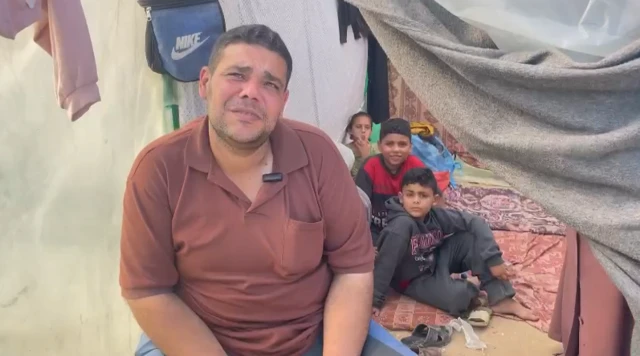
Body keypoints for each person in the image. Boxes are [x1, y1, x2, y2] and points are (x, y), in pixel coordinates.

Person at [119, 24, 415, 356]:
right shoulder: (159, 168)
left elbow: (353, 271)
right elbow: (148, 291)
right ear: (205, 83)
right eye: (236, 75)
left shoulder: (317, 155)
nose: (250, 92)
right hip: (200, 339)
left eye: (270, 84)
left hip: (313, 334)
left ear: (284, 100)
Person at [371, 167, 538, 322]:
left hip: (434, 259)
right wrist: (375, 300)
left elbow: (476, 222)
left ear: (434, 200)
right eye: (410, 195)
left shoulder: (436, 215)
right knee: (460, 297)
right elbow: (385, 263)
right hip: (412, 279)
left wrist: (494, 260)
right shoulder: (400, 227)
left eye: (423, 195)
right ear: (401, 197)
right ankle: (469, 288)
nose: (416, 201)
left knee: (471, 240)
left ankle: (502, 298)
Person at [355, 118, 424, 243]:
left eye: (402, 144)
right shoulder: (370, 167)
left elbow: (431, 201)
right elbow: (358, 209)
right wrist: (365, 243)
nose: (396, 149)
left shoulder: (416, 166)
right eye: (389, 144)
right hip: (374, 230)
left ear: (410, 147)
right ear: (380, 146)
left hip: (407, 229)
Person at [345, 111, 379, 177]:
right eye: (358, 127)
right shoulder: (345, 151)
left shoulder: (377, 150)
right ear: (350, 130)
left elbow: (377, 177)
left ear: (371, 132)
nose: (363, 130)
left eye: (367, 127)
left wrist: (365, 156)